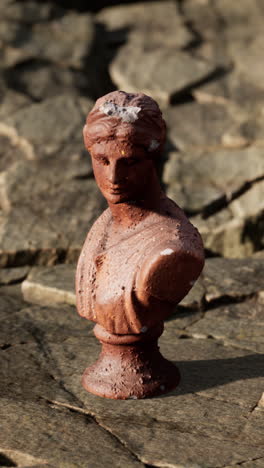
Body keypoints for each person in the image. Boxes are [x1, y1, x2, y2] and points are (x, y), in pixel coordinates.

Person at [76, 90, 204, 336]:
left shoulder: (174, 248)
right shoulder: (103, 224)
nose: (113, 177)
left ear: (153, 155)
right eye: (102, 160)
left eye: (130, 162)